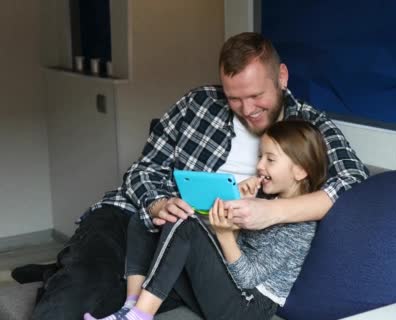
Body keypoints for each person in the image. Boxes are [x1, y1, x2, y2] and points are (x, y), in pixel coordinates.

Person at [28, 32, 368, 319]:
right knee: (77, 288)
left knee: (102, 296)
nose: (247, 110)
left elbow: (354, 183)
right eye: (234, 99)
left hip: (202, 247)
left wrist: (271, 211)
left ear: (281, 77)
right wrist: (159, 203)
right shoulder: (198, 103)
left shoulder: (308, 128)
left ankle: (59, 271)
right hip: (137, 215)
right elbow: (143, 170)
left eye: (256, 96)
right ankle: (67, 270)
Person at [84, 120, 328, 320]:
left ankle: (139, 316)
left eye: (270, 159)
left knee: (186, 226)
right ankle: (133, 304)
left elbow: (248, 278)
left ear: (300, 170)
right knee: (148, 218)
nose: (259, 165)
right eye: (260, 157)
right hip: (227, 288)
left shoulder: (300, 226)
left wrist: (223, 233)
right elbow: (235, 251)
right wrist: (234, 211)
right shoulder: (263, 201)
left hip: (249, 308)